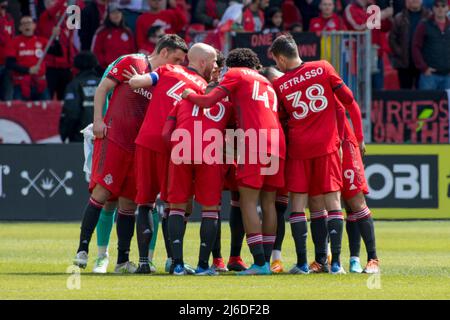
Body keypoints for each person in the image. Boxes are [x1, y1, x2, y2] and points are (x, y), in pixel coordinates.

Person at [72, 34, 188, 274]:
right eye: (176, 59)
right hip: (114, 138)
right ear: (164, 52)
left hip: (139, 148)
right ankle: (83, 250)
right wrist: (97, 121)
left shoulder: (163, 79)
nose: (178, 65)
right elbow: (102, 88)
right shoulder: (132, 61)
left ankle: (122, 261)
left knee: (128, 203)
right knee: (102, 193)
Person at [182, 48, 286, 276]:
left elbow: (208, 101)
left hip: (254, 139)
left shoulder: (236, 74)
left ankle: (259, 263)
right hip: (277, 141)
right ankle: (266, 261)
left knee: (247, 200)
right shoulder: (267, 81)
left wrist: (188, 93)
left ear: (233, 64)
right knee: (268, 204)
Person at [269, 34, 364, 274]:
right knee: (333, 202)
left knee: (298, 205)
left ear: (280, 58)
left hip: (299, 150)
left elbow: (280, 120)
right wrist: (359, 138)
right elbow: (350, 101)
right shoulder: (323, 67)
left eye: (277, 62)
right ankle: (336, 264)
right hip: (327, 148)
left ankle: (302, 263)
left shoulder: (279, 85)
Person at [123, 42, 216, 274]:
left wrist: (135, 79)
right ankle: (174, 262)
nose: (214, 66)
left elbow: (138, 83)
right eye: (213, 61)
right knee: (174, 205)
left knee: (144, 202)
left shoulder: (167, 70)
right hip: (175, 144)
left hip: (146, 140)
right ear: (203, 62)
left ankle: (144, 263)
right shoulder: (205, 87)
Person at [162, 83, 233, 276]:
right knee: (210, 209)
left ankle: (177, 265)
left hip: (181, 149)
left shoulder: (182, 102)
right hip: (210, 153)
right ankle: (203, 266)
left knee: (176, 207)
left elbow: (165, 134)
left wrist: (177, 150)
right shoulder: (227, 107)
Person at [344, 0, 393, 90]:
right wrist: (378, 17)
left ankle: (376, 104)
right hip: (360, 56)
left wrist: (388, 17)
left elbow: (385, 28)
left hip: (376, 54)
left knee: (378, 88)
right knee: (362, 88)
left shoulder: (373, 8)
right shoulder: (351, 8)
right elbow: (357, 27)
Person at [37, 0, 77, 100]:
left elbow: (71, 43)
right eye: (50, 2)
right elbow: (53, 11)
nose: (53, 4)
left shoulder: (66, 19)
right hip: (50, 67)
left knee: (65, 99)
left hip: (66, 67)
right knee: (48, 98)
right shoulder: (44, 18)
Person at [5, 16, 50, 101]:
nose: (27, 26)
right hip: (21, 84)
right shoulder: (14, 42)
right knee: (19, 112)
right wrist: (28, 70)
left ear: (34, 26)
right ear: (20, 28)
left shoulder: (42, 41)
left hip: (40, 84)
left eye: (29, 23)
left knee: (46, 111)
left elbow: (58, 52)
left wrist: (56, 37)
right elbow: (9, 63)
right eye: (24, 24)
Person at [60, 52, 100, 143]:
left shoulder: (74, 85)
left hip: (80, 138)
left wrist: (64, 134)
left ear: (76, 65)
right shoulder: (104, 83)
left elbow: (72, 113)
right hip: (103, 136)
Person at [389, 0, 430, 89]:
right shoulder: (399, 18)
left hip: (423, 64)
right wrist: (400, 52)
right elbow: (392, 39)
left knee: (423, 95)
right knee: (405, 94)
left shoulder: (429, 17)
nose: (415, 0)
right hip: (404, 64)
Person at [412, 0, 450, 90]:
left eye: (443, 6)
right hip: (429, 76)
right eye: (437, 6)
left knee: (448, 104)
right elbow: (415, 47)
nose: (440, 9)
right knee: (426, 103)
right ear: (433, 8)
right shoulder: (424, 25)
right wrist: (424, 68)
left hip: (448, 76)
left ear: (447, 8)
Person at [91, 3, 136, 71]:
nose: (116, 15)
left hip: (126, 70)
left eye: (118, 12)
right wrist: (105, 65)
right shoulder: (101, 32)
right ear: (108, 15)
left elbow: (133, 51)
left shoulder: (128, 32)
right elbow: (96, 52)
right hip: (106, 70)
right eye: (113, 13)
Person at [0, 0, 14, 101]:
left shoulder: (9, 17)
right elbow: (2, 39)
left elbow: (11, 38)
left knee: (8, 95)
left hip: (8, 62)